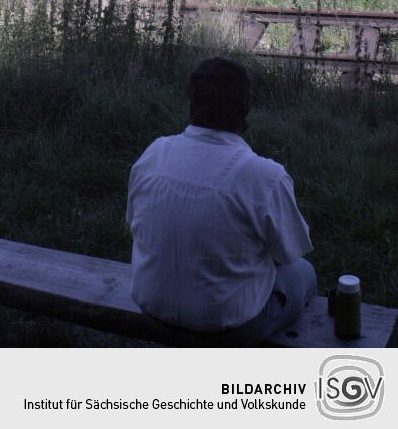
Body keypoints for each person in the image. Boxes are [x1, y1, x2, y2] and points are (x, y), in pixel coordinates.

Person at [126, 56, 316, 345]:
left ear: (192, 102)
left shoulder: (153, 154)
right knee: (303, 274)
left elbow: (134, 223)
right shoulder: (265, 177)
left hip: (152, 312)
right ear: (246, 109)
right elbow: (290, 252)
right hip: (228, 330)